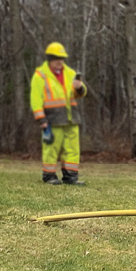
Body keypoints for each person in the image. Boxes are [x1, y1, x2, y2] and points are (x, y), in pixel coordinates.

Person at [30, 41, 88, 184]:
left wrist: (79, 87)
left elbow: (79, 93)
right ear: (50, 59)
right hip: (51, 120)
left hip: (71, 118)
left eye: (62, 58)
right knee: (51, 148)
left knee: (72, 149)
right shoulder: (40, 76)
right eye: (57, 58)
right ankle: (49, 176)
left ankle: (71, 177)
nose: (60, 61)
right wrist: (41, 120)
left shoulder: (70, 73)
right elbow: (35, 99)